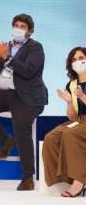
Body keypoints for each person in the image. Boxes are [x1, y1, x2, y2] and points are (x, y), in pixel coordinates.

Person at [0, 14, 48, 190]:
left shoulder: (35, 48)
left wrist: (8, 58)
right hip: (2, 94)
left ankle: (28, 177)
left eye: (23, 26)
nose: (18, 29)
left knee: (21, 126)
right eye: (16, 25)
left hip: (26, 97)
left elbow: (28, 71)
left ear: (29, 31)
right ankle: (5, 139)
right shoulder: (6, 47)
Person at [43, 47, 86, 197]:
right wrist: (69, 102)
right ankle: (64, 179)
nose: (78, 62)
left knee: (70, 134)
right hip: (80, 121)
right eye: (74, 60)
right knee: (51, 138)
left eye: (81, 58)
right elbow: (73, 118)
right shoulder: (72, 85)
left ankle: (79, 181)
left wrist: (82, 97)